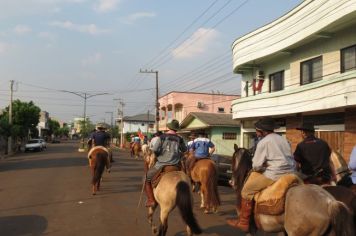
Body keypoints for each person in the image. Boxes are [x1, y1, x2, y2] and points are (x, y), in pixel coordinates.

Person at [227, 117, 296, 232]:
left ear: (263, 131)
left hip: (274, 174)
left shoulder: (263, 142)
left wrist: (263, 166)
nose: (256, 132)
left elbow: (256, 165)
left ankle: (244, 222)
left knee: (246, 191)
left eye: (257, 130)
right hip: (291, 173)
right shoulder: (284, 139)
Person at [144, 119, 187, 207]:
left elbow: (155, 150)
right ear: (176, 129)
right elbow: (184, 150)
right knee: (186, 176)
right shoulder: (180, 138)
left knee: (146, 179)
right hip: (176, 165)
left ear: (169, 127)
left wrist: (159, 154)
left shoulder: (161, 137)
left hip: (162, 164)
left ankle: (151, 200)